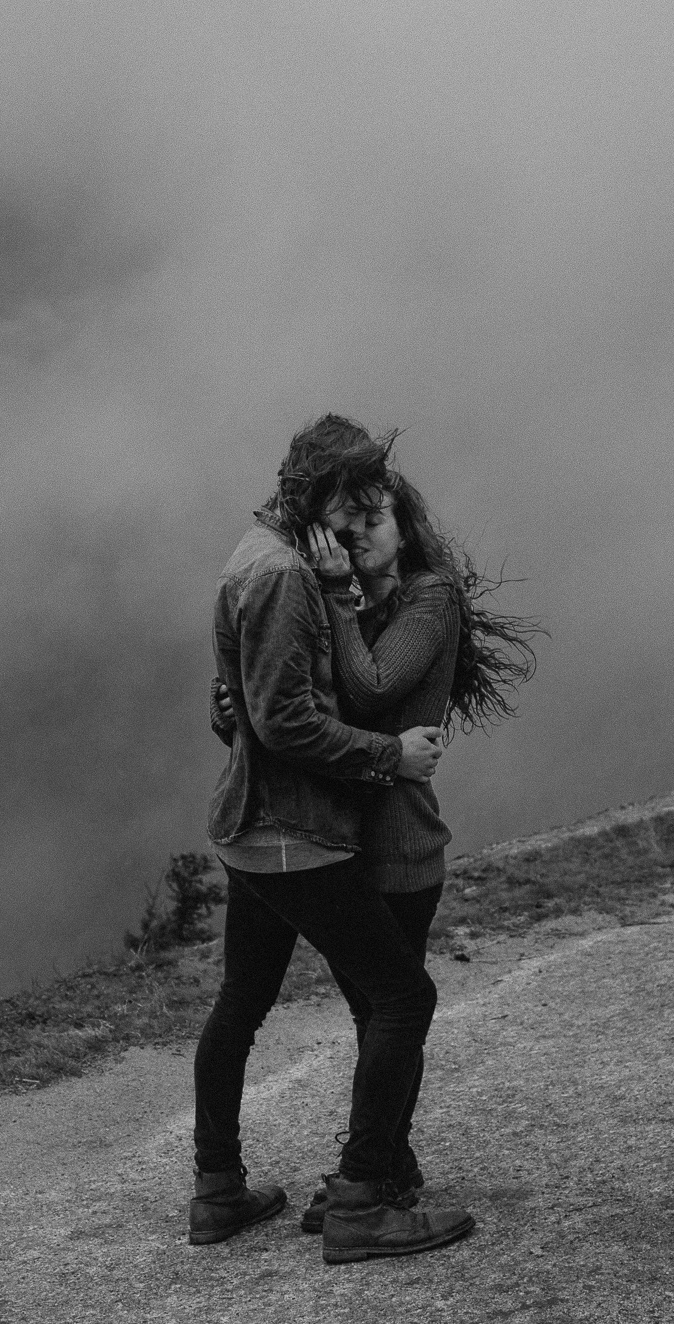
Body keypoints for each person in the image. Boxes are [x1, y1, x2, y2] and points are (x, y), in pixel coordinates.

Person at [214, 468, 538, 1233]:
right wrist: (244, 701)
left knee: (392, 1007)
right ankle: (386, 1167)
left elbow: (366, 690)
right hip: (354, 835)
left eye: (374, 522)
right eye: (347, 527)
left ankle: (370, 1175)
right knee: (378, 1010)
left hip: (400, 840)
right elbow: (302, 704)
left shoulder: (429, 597)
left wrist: (330, 594)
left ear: (407, 524)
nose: (358, 538)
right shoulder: (353, 605)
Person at [192, 414, 475, 1264]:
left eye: (374, 511)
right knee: (400, 1000)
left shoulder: (257, 557)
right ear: (324, 497)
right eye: (355, 504)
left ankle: (222, 1189)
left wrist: (238, 712)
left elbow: (270, 698)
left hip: (258, 826)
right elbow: (290, 716)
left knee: (248, 1002)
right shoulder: (286, 575)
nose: (359, 524)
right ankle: (362, 1197)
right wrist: (389, 753)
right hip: (297, 831)